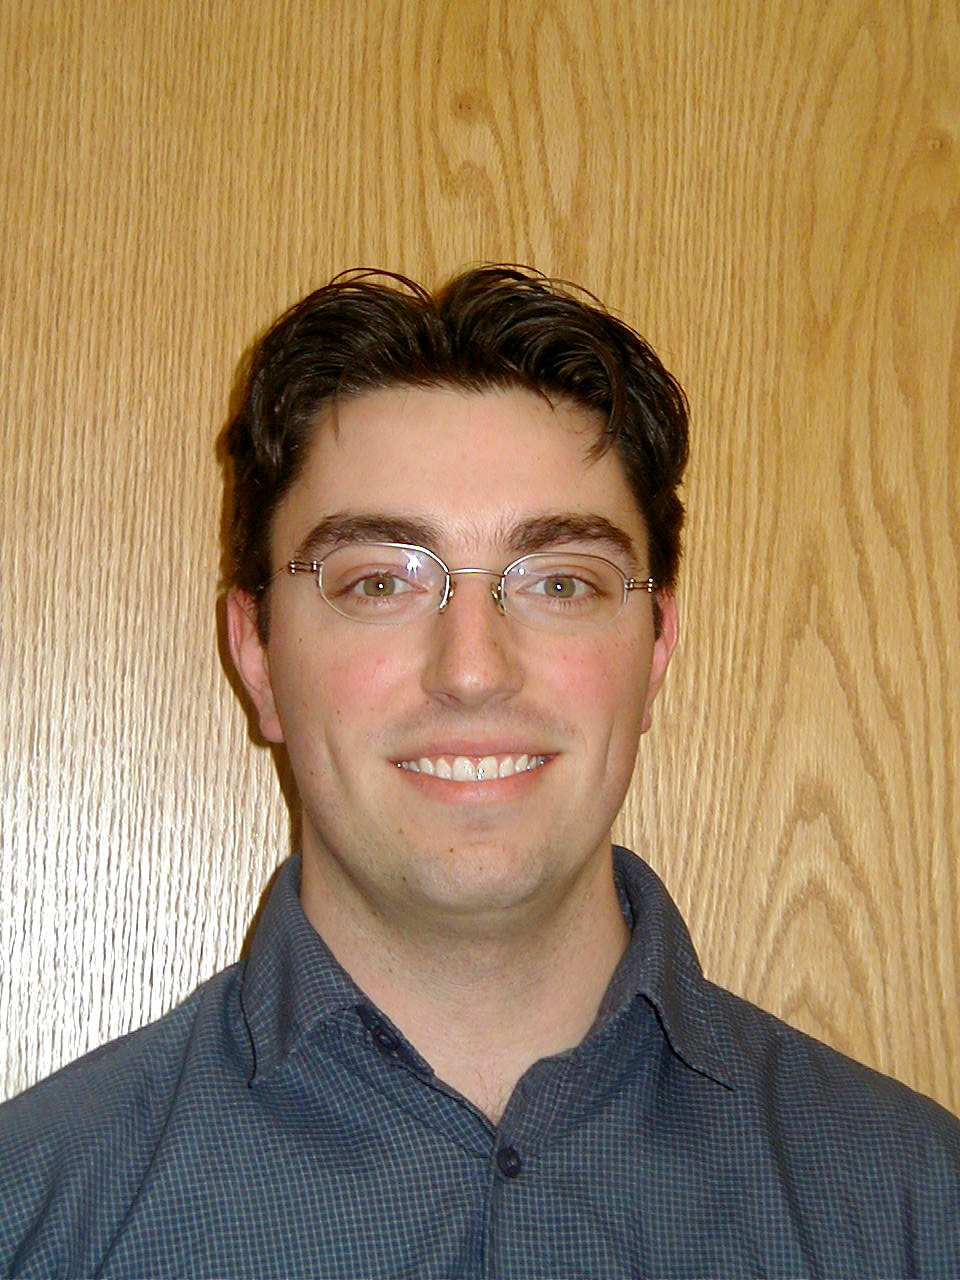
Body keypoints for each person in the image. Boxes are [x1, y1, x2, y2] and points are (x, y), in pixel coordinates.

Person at [1, 266, 957, 1279]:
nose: (471, 669)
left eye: (560, 582)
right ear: (258, 657)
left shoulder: (918, 1212)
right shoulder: (37, 1218)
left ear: (656, 651)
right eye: (379, 581)